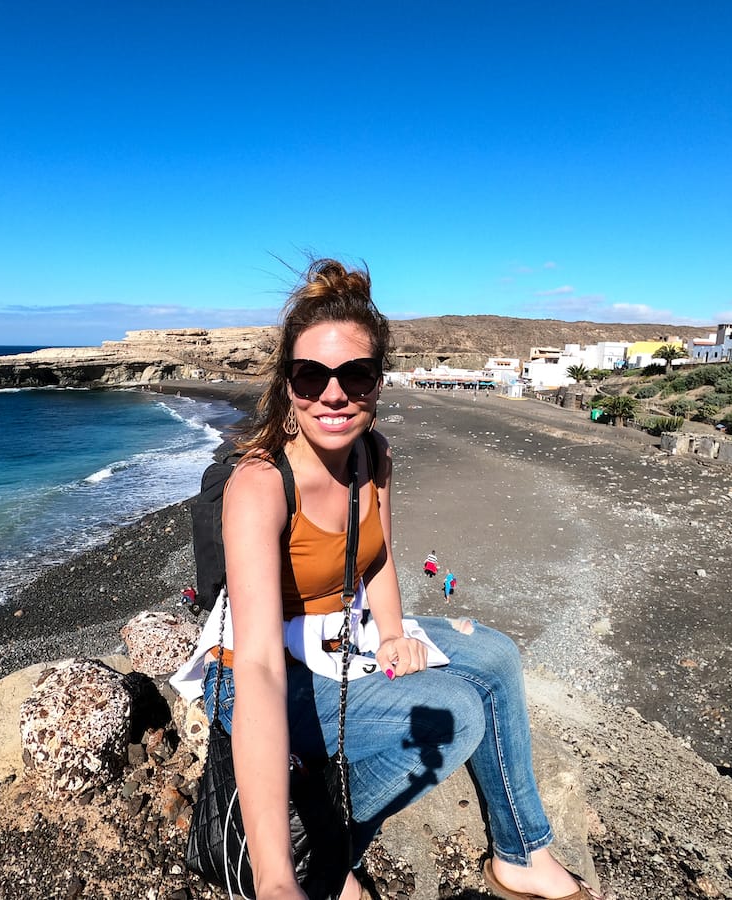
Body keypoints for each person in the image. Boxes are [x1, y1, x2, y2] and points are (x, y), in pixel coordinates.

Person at [194, 259, 598, 900]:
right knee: (457, 712)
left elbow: (376, 556)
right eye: (311, 376)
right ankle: (320, 859)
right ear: (288, 383)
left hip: (338, 639)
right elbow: (262, 668)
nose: (333, 395)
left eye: (354, 375)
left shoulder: (373, 457)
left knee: (496, 655)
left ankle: (521, 853)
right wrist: (274, 879)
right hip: (252, 664)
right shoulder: (261, 484)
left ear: (378, 383)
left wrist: (391, 633)